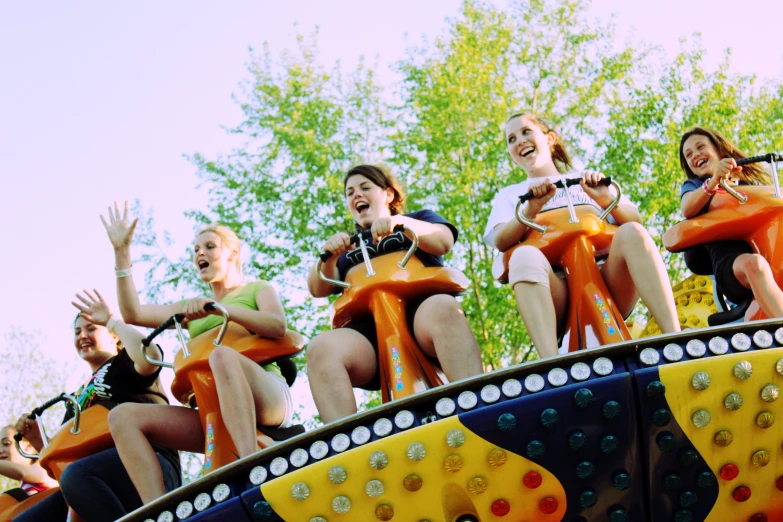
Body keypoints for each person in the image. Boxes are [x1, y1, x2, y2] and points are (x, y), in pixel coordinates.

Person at [101, 202, 292, 505]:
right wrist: (121, 252)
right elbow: (133, 312)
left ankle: (252, 465)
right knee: (122, 416)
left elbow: (277, 326)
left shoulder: (257, 289)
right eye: (195, 250)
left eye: (209, 247)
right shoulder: (192, 308)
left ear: (232, 255)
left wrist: (224, 310)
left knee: (221, 356)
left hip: (267, 397)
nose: (199, 254)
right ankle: (159, 509)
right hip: (210, 411)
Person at [484, 113, 680, 358]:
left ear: (550, 138)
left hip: (607, 278)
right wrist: (531, 210)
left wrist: (604, 197)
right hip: (557, 289)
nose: (519, 141)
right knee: (523, 256)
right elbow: (501, 240)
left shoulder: (587, 180)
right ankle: (550, 363)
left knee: (632, 233)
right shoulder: (511, 195)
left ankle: (674, 337)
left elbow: (634, 222)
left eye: (526, 132)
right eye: (511, 139)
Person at [306, 164, 483, 424]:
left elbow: (444, 240)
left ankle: (475, 406)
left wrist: (399, 223)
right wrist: (329, 254)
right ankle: (344, 442)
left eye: (365, 188)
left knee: (445, 309)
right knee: (321, 349)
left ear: (388, 194)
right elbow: (317, 288)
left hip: (421, 313)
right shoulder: (346, 250)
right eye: (350, 192)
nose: (357, 195)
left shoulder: (416, 221)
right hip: (369, 335)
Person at [13, 292, 180, 522]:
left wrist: (112, 321)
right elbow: (63, 457)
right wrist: (37, 441)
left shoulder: (124, 363)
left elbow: (150, 356)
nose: (83, 336)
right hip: (92, 478)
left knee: (77, 475)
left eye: (91, 328)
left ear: (113, 336)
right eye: (77, 331)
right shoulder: (75, 398)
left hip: (149, 465)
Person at [679, 126, 783, 319]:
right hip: (733, 264)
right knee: (756, 265)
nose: (695, 155)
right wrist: (714, 182)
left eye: (700, 147)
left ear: (719, 150)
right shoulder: (695, 187)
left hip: (771, 254)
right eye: (689, 154)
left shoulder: (750, 186)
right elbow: (687, 208)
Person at [0, 425, 56, 498]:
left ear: (28, 445)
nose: (0, 450)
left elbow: (21, 473)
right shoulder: (24, 486)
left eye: (6, 443)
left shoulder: (44, 468)